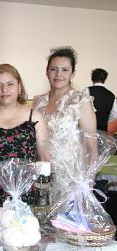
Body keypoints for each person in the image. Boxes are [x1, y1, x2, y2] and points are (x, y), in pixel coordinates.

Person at [34, 47, 97, 203]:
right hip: (41, 175)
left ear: (72, 73)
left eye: (64, 70)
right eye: (54, 69)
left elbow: (92, 147)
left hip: (71, 179)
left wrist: (88, 183)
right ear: (47, 71)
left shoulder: (80, 101)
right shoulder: (38, 102)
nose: (58, 74)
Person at [0, 64, 49, 207]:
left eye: (10, 84)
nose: (4, 90)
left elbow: (45, 159)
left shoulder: (35, 116)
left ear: (19, 87)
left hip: (28, 191)